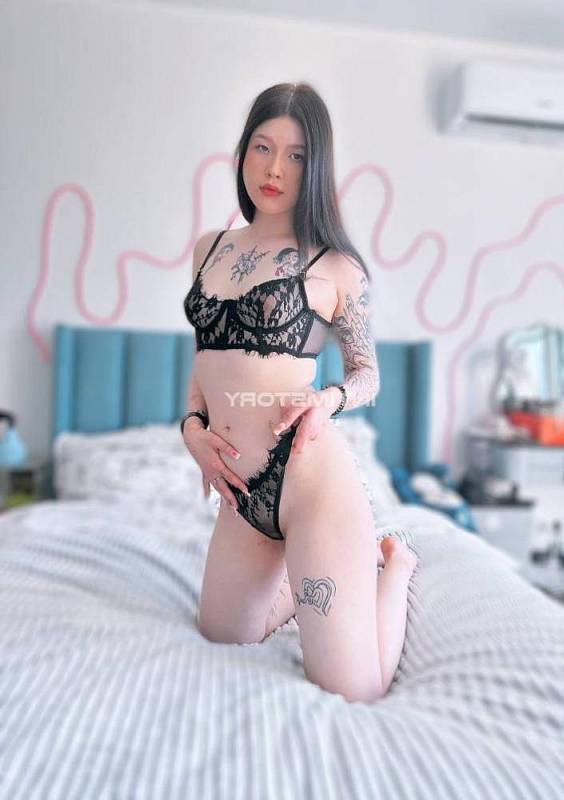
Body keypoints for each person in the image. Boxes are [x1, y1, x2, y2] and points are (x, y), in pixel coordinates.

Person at [182, 82, 417, 703]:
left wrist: (327, 399)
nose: (274, 169)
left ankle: (392, 567)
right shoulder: (209, 250)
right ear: (243, 153)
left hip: (310, 480)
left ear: (316, 168)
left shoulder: (334, 265)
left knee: (356, 687)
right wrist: (192, 431)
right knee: (223, 634)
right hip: (242, 492)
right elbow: (205, 359)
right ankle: (313, 573)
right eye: (262, 148)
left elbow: (367, 374)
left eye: (295, 156)